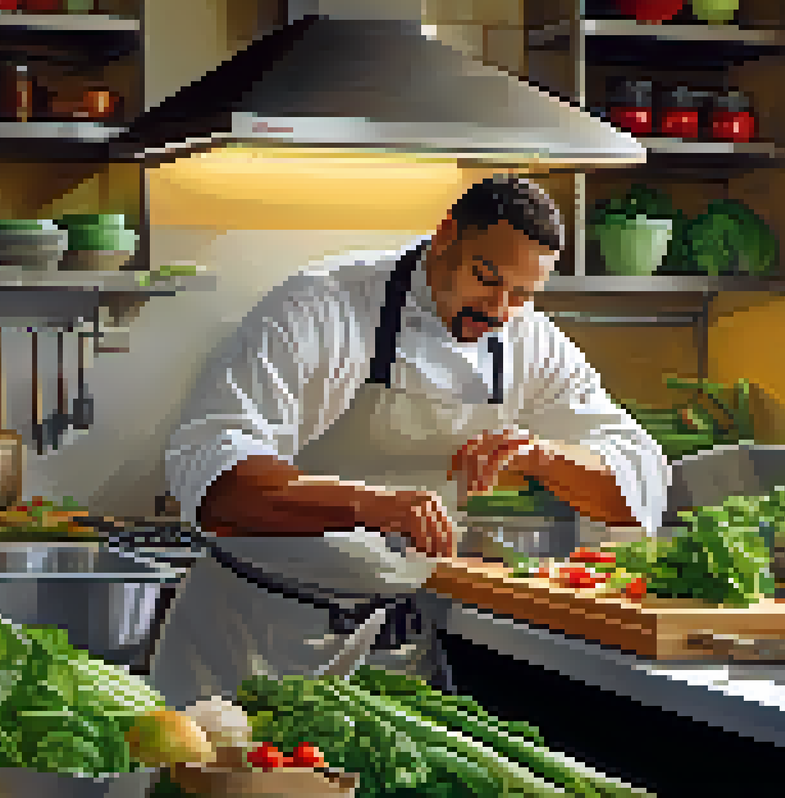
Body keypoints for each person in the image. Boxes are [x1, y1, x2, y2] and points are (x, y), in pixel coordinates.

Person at [149, 175, 670, 711]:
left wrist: (542, 455)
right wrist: (370, 506)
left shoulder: (526, 338)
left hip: (394, 651)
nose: (499, 309)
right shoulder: (322, 306)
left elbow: (633, 476)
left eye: (521, 293)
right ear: (445, 234)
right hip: (252, 638)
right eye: (485, 277)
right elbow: (216, 478)